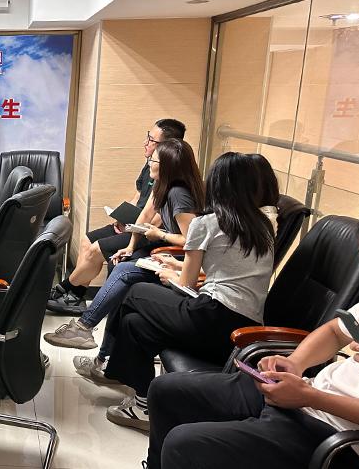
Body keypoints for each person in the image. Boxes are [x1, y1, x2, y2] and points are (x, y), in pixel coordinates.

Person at [146, 208, 359, 469]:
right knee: (166, 391)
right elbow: (334, 331)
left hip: (333, 434)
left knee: (183, 445)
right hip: (307, 396)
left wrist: (308, 397)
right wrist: (296, 363)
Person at [101, 152, 276, 432]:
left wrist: (169, 272)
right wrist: (176, 264)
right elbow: (228, 272)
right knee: (135, 324)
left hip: (211, 316)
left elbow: (184, 283)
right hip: (244, 329)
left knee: (134, 293)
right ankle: (144, 402)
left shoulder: (206, 223)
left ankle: (110, 365)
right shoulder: (262, 225)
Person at [44, 138, 204, 359]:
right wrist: (130, 246)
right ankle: (103, 355)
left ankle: (84, 329)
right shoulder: (162, 185)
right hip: (163, 251)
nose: (149, 162)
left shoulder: (179, 194)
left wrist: (160, 234)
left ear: (166, 165)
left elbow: (192, 241)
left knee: (124, 272)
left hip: (179, 261)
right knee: (118, 264)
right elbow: (145, 216)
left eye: (154, 159)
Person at [48, 119, 187, 315]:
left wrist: (132, 231)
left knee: (96, 249)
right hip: (134, 226)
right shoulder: (151, 168)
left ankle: (63, 289)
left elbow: (158, 221)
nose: (145, 143)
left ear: (167, 148)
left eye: (151, 140)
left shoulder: (174, 183)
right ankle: (76, 296)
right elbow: (140, 199)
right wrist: (122, 216)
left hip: (149, 235)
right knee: (87, 240)